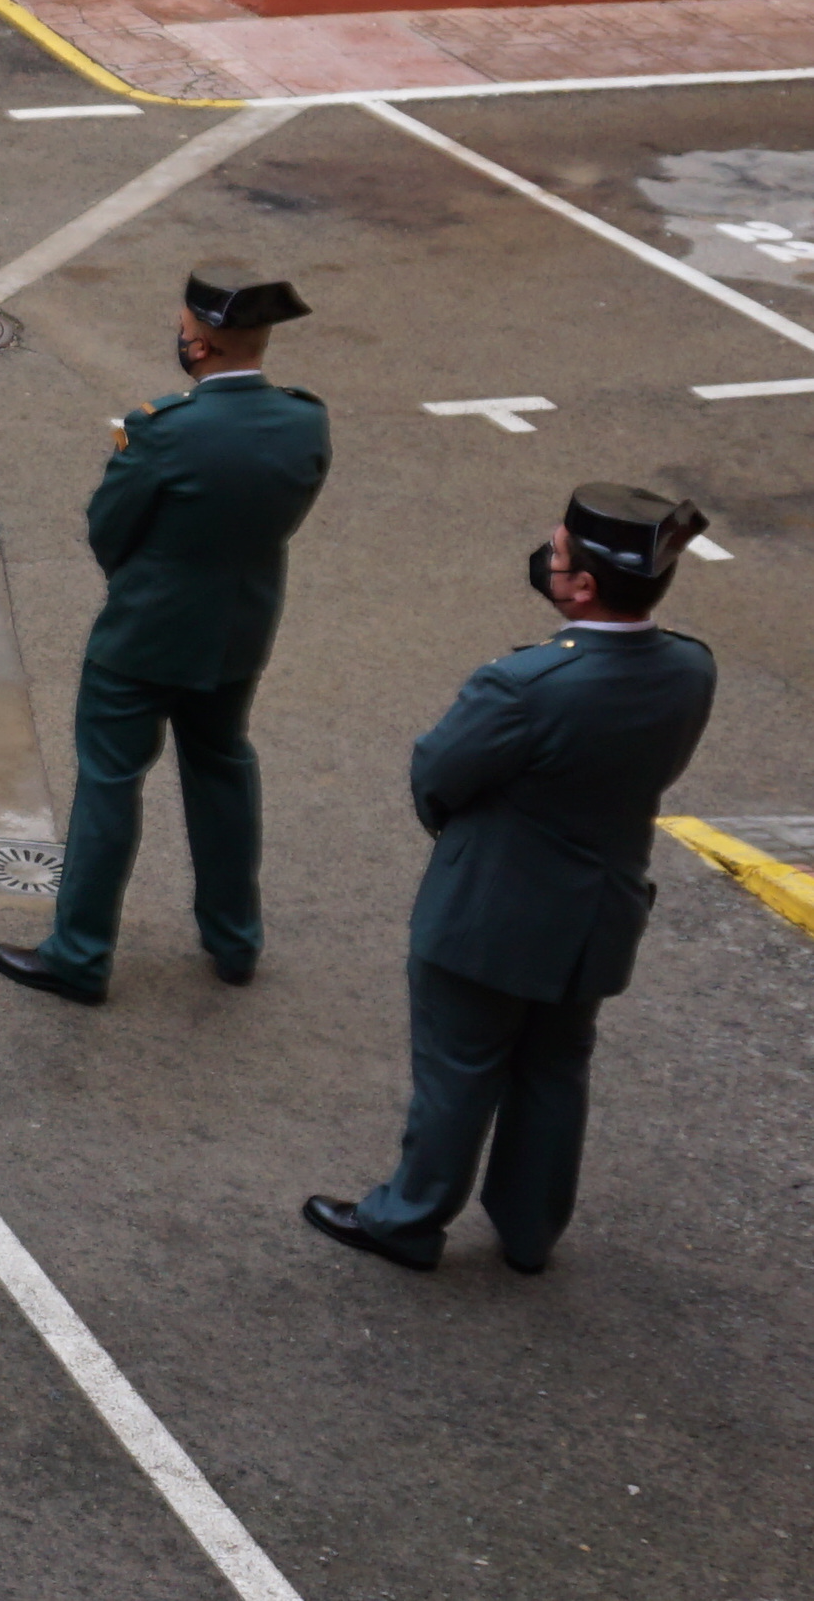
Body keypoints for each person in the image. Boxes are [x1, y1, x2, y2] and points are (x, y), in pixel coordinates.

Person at [307, 484, 718, 1276]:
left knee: (458, 1070)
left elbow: (438, 775)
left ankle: (410, 1218)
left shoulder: (526, 685)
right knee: (556, 1068)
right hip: (599, 914)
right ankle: (530, 1231)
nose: (548, 558)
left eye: (558, 552)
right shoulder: (690, 669)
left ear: (583, 587)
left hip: (489, 915)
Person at [0, 266, 331, 1005]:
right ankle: (234, 938)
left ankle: (81, 953)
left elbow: (108, 529)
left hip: (146, 634)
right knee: (222, 771)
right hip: (239, 629)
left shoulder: (164, 431)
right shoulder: (305, 418)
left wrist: (148, 583)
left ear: (201, 347)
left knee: (111, 782)